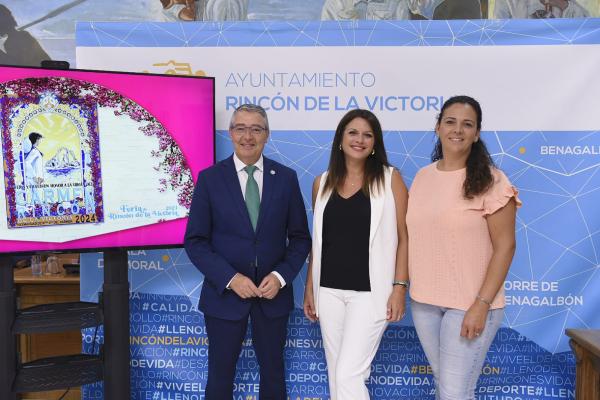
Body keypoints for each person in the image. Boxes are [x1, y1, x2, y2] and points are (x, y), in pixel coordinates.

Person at [184, 104, 311, 400]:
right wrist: (231, 279)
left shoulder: (286, 178)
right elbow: (196, 241)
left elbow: (300, 239)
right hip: (224, 297)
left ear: (267, 134)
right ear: (230, 133)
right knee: (220, 376)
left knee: (274, 375)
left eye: (256, 129)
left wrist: (280, 277)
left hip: (273, 297)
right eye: (241, 128)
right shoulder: (210, 179)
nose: (248, 136)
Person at [407, 96, 520, 399]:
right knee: (445, 387)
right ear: (438, 127)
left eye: (467, 124)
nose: (457, 130)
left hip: (470, 303)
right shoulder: (422, 177)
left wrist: (481, 305)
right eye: (450, 122)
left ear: (477, 133)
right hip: (424, 302)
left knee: (454, 393)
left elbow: (506, 247)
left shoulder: (493, 181)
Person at [303, 109, 409, 400]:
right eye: (353, 132)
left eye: (367, 135)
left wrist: (400, 287)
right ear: (340, 138)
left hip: (371, 294)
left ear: (375, 143)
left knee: (347, 374)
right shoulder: (321, 183)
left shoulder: (390, 179)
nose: (359, 140)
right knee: (337, 373)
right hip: (328, 292)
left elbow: (405, 237)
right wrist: (310, 287)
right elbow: (319, 242)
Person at [493, 0, 590, 19]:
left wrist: (562, 4)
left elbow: (589, 26)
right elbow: (498, 33)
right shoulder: (506, 2)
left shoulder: (569, 3)